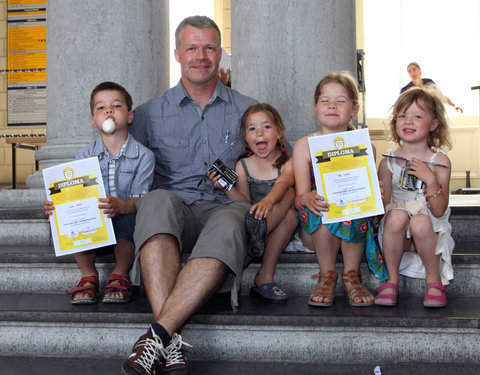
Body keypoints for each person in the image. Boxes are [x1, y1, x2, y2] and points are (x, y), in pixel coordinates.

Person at [121, 16, 254, 375]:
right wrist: (72, 202)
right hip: (173, 211)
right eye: (192, 48)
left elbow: (276, 162)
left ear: (220, 53)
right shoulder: (148, 115)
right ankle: (169, 340)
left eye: (209, 47)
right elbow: (118, 163)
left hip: (222, 209)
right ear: (177, 53)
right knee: (156, 200)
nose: (201, 56)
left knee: (231, 221)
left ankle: (158, 337)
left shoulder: (247, 110)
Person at [44, 81, 155, 305]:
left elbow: (139, 200)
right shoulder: (84, 155)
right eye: (101, 108)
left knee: (130, 216)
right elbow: (73, 192)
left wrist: (121, 206)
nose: (109, 110)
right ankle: (88, 274)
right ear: (94, 120)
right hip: (94, 224)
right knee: (67, 216)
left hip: (125, 222)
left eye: (117, 105)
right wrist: (58, 204)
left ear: (130, 116)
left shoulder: (144, 156)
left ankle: (120, 274)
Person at [292, 72, 387, 308]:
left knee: (355, 209)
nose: (332, 105)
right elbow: (299, 197)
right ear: (316, 107)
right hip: (317, 222)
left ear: (354, 109)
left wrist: (375, 192)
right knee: (325, 211)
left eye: (340, 100)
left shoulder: (365, 145)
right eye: (325, 100)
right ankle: (327, 275)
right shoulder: (304, 146)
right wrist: (308, 198)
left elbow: (368, 193)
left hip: (353, 217)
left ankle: (351, 275)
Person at [208, 103, 298, 301]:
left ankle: (264, 263)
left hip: (278, 225)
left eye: (266, 127)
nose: (259, 133)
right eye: (252, 129)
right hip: (254, 218)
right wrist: (226, 188)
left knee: (290, 196)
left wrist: (268, 202)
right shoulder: (243, 165)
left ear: (279, 132)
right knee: (284, 213)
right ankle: (264, 272)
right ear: (246, 140)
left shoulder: (288, 163)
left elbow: (283, 184)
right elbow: (244, 201)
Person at [375, 86, 454, 308]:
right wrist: (376, 195)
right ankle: (391, 280)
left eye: (417, 116)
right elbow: (385, 206)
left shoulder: (440, 161)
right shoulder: (388, 161)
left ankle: (434, 282)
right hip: (397, 226)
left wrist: (430, 180)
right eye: (402, 115)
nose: (408, 121)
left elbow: (439, 210)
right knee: (397, 217)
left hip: (428, 222)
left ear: (433, 124)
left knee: (419, 222)